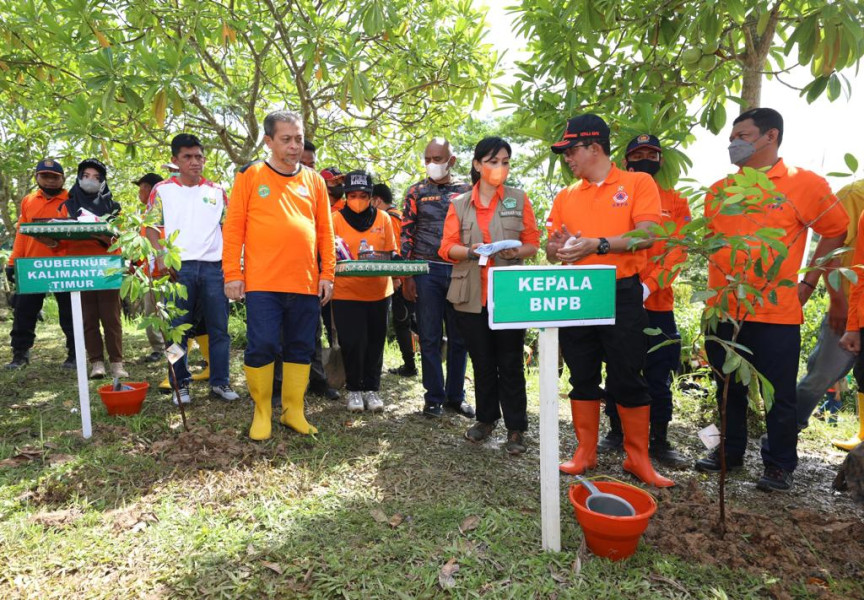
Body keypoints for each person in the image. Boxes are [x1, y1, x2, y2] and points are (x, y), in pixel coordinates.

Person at [699, 108, 848, 492]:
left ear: (771, 136)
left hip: (776, 314)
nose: (734, 143)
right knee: (726, 386)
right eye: (732, 137)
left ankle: (779, 464)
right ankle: (727, 453)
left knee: (778, 395)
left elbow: (835, 231)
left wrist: (809, 282)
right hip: (722, 311)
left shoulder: (804, 184)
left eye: (743, 135)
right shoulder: (719, 191)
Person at [545, 114, 673, 487]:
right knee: (581, 374)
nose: (567, 159)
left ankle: (638, 458)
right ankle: (585, 453)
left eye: (571, 151)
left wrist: (598, 244)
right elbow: (553, 249)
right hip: (577, 293)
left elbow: (647, 235)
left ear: (594, 147)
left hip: (621, 292)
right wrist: (559, 250)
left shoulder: (637, 182)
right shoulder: (567, 195)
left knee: (627, 375)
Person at [223, 110, 335, 440]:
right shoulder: (250, 175)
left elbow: (326, 232)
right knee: (263, 345)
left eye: (298, 138)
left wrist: (327, 272)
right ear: (269, 141)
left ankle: (293, 411)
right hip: (262, 283)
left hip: (304, 281)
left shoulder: (315, 181)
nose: (293, 145)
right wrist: (233, 272)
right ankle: (261, 411)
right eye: (285, 139)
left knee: (301, 347)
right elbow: (234, 229)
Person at [439, 137, 539, 455]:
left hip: (508, 293)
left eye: (506, 162)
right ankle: (485, 420)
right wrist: (470, 251)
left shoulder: (519, 199)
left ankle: (516, 428)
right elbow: (446, 247)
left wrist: (514, 250)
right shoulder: (459, 204)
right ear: (478, 165)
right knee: (482, 361)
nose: (500, 168)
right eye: (494, 161)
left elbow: (532, 243)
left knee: (510, 361)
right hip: (470, 293)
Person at [597, 135, 691, 468]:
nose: (646, 159)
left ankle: (660, 438)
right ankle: (616, 431)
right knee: (619, 368)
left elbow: (678, 251)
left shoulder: (676, 201)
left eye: (652, 154)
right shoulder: (616, 196)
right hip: (620, 300)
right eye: (638, 154)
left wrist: (649, 286)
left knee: (659, 372)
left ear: (661, 161)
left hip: (658, 304)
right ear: (625, 162)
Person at [145, 133, 239, 405]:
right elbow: (150, 226)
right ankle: (179, 383)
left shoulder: (217, 191)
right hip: (179, 269)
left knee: (219, 329)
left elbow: (229, 228)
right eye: (187, 157)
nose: (195, 162)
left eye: (199, 156)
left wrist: (233, 266)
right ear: (175, 160)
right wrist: (161, 255)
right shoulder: (162, 190)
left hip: (213, 268)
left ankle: (220, 382)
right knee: (177, 330)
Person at [401, 138, 474, 418]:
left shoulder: (467, 191)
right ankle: (433, 398)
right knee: (429, 337)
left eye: (438, 158)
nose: (433, 164)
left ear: (451, 161)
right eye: (428, 159)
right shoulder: (415, 192)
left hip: (459, 271)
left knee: (460, 338)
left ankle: (456, 396)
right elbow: (406, 234)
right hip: (426, 272)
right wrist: (408, 276)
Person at [797, 179, 864, 450]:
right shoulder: (854, 194)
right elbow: (831, 252)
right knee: (821, 376)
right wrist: (838, 301)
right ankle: (781, 436)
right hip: (851, 309)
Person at [331, 171, 396, 412]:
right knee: (352, 342)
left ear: (371, 196)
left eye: (363, 195)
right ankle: (355, 390)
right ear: (346, 196)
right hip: (346, 293)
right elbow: (328, 255)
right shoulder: (334, 219)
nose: (358, 200)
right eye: (353, 195)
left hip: (379, 292)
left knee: (375, 342)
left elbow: (391, 252)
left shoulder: (383, 219)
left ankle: (372, 389)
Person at [5, 159, 75, 370]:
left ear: (62, 179)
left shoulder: (72, 200)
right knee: (23, 311)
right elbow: (21, 233)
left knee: (70, 313)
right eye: (45, 176)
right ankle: (20, 354)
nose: (50, 181)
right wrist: (12, 263)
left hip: (64, 266)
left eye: (55, 177)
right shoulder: (28, 200)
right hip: (32, 266)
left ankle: (74, 354)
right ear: (37, 177)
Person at [64, 158, 126, 379]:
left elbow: (120, 238)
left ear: (103, 181)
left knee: (112, 318)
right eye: (86, 175)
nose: (90, 180)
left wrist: (100, 232)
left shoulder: (114, 207)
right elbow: (60, 238)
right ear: (79, 178)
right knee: (88, 319)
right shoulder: (67, 206)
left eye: (96, 177)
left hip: (107, 269)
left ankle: (117, 363)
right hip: (80, 268)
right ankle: (96, 363)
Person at [374, 182, 417, 377]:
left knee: (402, 323)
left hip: (400, 277)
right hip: (410, 275)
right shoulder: (400, 215)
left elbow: (395, 251)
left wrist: (396, 277)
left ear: (377, 200)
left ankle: (410, 366)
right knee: (411, 321)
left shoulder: (387, 219)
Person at [133, 172, 165, 362]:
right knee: (151, 313)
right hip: (148, 273)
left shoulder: (164, 212)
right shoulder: (144, 215)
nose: (139, 192)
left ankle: (173, 351)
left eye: (142, 187)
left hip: (166, 272)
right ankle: (159, 349)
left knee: (169, 314)